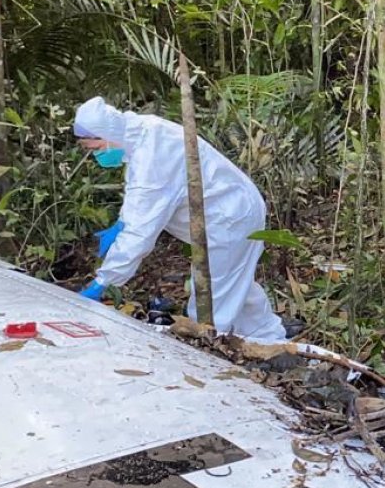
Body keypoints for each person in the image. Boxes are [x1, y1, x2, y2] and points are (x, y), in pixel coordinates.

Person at [73, 96, 286, 342]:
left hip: (227, 219)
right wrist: (121, 224)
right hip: (233, 209)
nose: (97, 157)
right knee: (236, 283)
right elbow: (138, 199)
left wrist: (104, 281)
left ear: (107, 133)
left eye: (97, 149)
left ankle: (211, 353)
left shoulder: (151, 154)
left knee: (212, 295)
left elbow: (140, 233)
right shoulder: (141, 133)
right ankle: (271, 339)